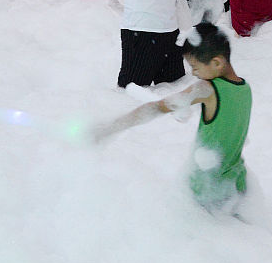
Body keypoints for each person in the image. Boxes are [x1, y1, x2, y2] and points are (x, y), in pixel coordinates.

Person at [95, 22, 252, 214]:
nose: (193, 73)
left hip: (207, 190)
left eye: (195, 67)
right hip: (236, 186)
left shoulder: (207, 88)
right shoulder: (245, 89)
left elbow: (158, 107)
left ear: (217, 62)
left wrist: (110, 128)